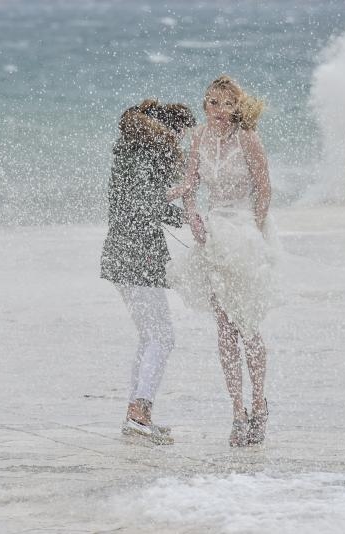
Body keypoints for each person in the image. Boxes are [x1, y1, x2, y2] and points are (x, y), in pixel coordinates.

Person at [167, 75, 276, 447]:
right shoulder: (197, 137)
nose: (218, 110)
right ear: (205, 106)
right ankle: (237, 412)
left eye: (226, 104)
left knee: (247, 324)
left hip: (244, 230)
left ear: (237, 107)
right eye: (212, 102)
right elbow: (190, 184)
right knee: (224, 328)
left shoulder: (248, 139)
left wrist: (256, 234)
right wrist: (189, 211)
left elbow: (264, 190)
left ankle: (260, 403)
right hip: (213, 233)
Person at [100, 99, 196, 445]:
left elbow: (139, 200)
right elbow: (146, 202)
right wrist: (183, 199)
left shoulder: (129, 151)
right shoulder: (143, 155)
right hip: (137, 256)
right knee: (163, 337)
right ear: (171, 130)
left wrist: (175, 206)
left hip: (121, 254)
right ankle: (140, 414)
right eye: (182, 134)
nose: (183, 141)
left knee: (149, 336)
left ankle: (135, 414)